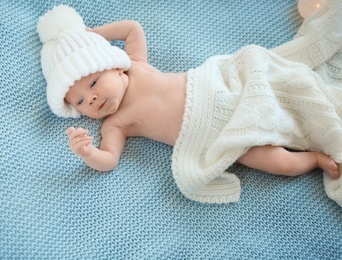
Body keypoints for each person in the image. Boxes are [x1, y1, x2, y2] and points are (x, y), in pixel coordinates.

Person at [37, 3, 342, 204]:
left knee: (271, 82)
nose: (90, 98)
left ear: (114, 65)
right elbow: (109, 160)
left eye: (93, 83)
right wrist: (88, 152)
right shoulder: (116, 124)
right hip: (211, 134)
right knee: (277, 162)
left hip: (216, 89)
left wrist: (92, 36)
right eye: (79, 101)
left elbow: (132, 28)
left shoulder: (135, 65)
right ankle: (314, 160)